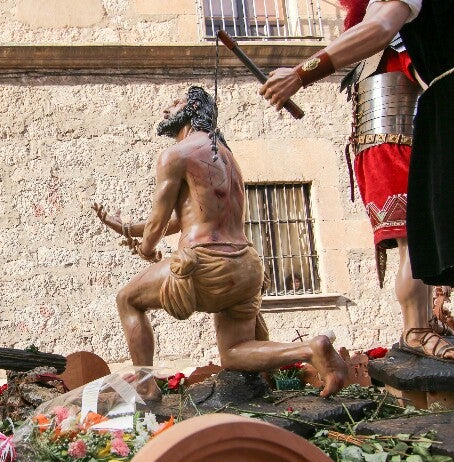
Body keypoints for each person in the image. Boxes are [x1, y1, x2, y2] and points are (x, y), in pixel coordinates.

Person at [93, 86, 347, 397]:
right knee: (235, 352)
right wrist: (128, 228)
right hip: (246, 266)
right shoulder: (227, 157)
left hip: (206, 266)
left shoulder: (175, 154)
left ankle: (146, 389)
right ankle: (311, 348)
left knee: (127, 299)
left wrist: (146, 248)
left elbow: (159, 223)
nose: (166, 109)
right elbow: (188, 218)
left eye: (175, 103)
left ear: (194, 107)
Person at [259, 0, 454, 363]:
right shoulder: (392, 46)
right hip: (397, 140)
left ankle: (424, 322)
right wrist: (301, 73)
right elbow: (380, 28)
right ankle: (417, 328)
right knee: (416, 237)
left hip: (410, 133)